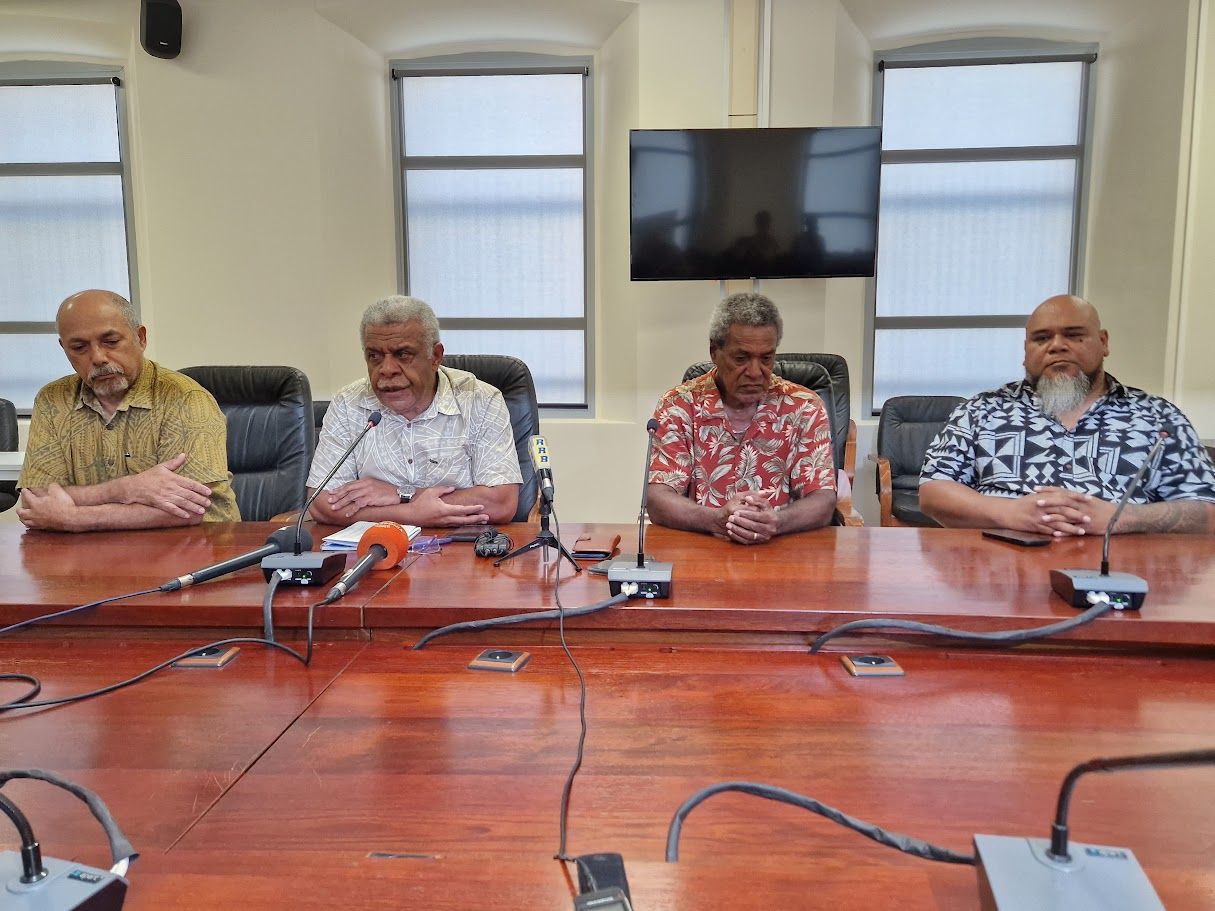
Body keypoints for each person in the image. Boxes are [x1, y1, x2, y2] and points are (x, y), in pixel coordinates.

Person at [920, 294, 1215, 535]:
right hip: (999, 572)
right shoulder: (984, 410)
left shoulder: (1158, 417)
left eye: (1073, 336)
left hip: (1123, 570)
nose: (1057, 346)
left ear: (1104, 342)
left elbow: (1206, 512)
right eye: (1041, 338)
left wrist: (1123, 518)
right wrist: (1011, 512)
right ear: (1026, 351)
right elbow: (934, 490)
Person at [18, 289, 239, 532]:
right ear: (64, 348)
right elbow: (37, 498)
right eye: (79, 347)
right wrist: (125, 489)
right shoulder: (53, 400)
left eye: (111, 342)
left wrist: (73, 518)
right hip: (89, 557)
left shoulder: (185, 399)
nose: (98, 357)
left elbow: (188, 510)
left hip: (192, 550)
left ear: (140, 338)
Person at [307, 295, 521, 526]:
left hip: (461, 551)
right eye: (374, 356)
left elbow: (501, 503)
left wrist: (401, 494)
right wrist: (411, 514)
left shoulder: (480, 400)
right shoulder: (349, 403)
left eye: (403, 355)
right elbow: (321, 503)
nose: (386, 369)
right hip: (375, 549)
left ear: (435, 356)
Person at [647, 292, 836, 543]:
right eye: (741, 358)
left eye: (766, 358)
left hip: (782, 548)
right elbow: (657, 497)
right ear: (715, 352)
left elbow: (823, 499)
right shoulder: (679, 405)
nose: (756, 372)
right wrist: (715, 519)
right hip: (703, 547)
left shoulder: (804, 406)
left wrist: (777, 522)